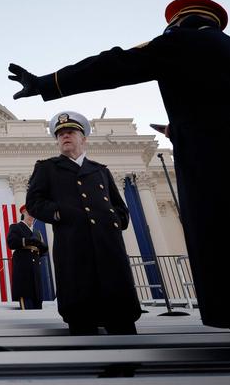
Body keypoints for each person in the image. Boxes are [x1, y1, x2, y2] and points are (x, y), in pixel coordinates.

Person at [8, 0, 230, 330]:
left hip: (207, 159)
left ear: (177, 23)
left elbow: (112, 65)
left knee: (215, 229)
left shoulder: (179, 41)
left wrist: (47, 83)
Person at [26, 111, 141, 335]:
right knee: (82, 319)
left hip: (109, 249)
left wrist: (115, 221)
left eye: (70, 132)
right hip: (74, 248)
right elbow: (34, 202)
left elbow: (120, 207)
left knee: (122, 319)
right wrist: (58, 213)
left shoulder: (100, 170)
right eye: (60, 135)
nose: (64, 137)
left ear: (83, 138)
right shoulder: (47, 168)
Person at [7, 204, 48, 310]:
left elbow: (42, 252)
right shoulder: (16, 227)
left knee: (37, 297)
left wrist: (43, 247)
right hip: (23, 266)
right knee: (26, 296)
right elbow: (11, 243)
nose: (31, 216)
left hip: (35, 267)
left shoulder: (37, 232)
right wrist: (28, 241)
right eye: (29, 213)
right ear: (23, 213)